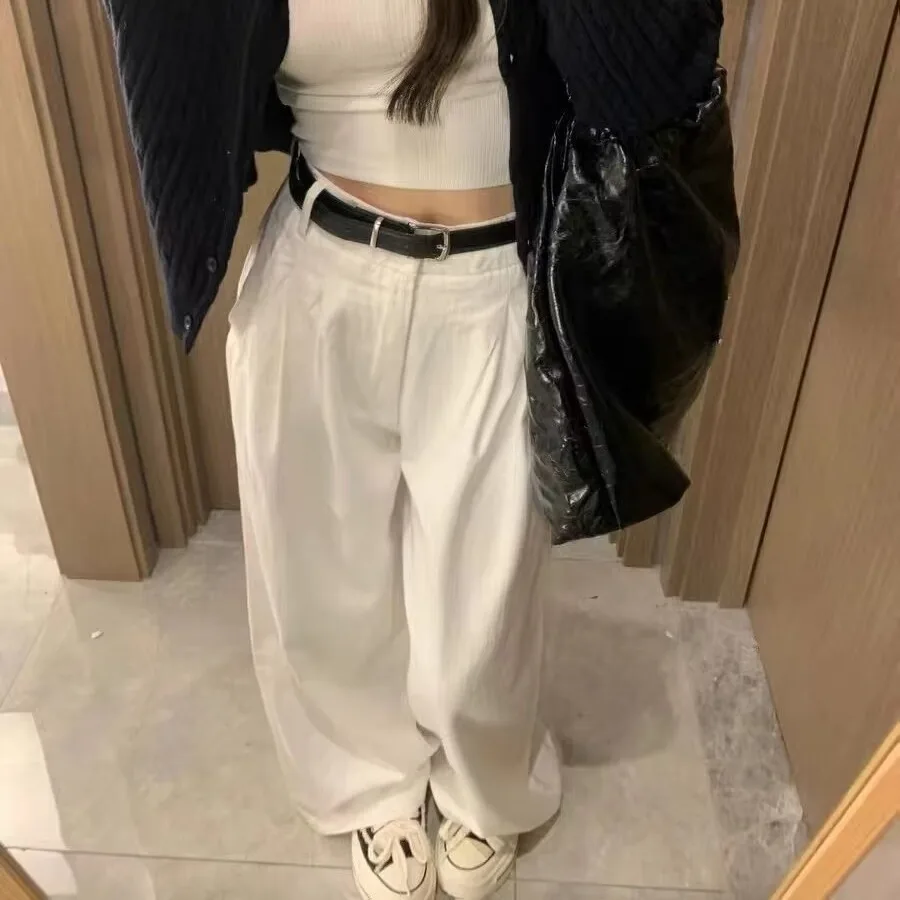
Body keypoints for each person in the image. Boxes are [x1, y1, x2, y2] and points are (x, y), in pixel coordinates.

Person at [102, 1, 726, 898]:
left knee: (487, 587)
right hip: (320, 272)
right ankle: (365, 780)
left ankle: (485, 782)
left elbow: (661, 72)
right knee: (318, 575)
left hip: (497, 285)